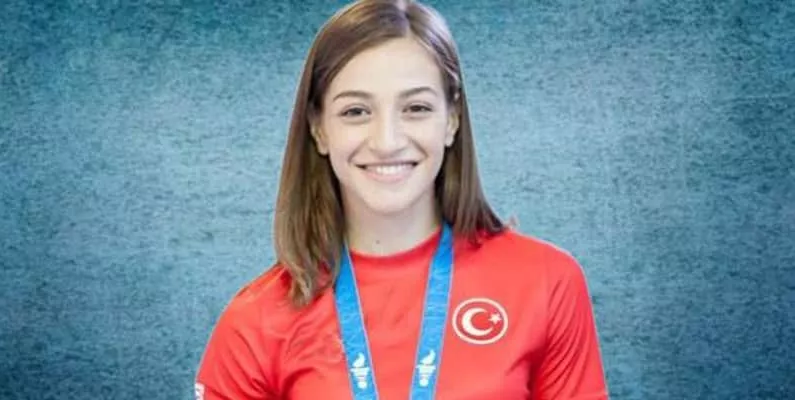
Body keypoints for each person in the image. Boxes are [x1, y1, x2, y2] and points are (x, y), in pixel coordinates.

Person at [195, 0, 608, 399]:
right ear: (318, 129)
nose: (387, 141)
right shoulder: (256, 321)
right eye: (356, 111)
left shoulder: (545, 282)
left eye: (416, 107)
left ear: (452, 120)